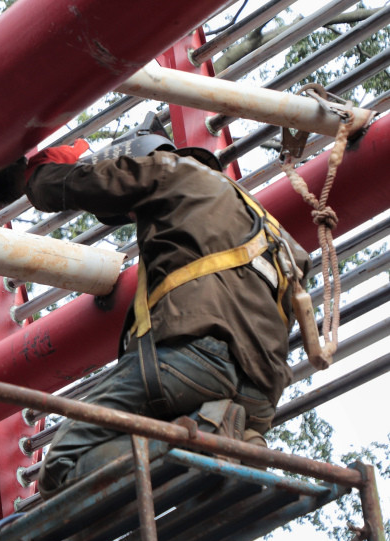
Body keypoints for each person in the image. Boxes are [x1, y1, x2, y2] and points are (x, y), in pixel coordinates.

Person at [20, 122, 311, 498]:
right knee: (186, 479)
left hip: (193, 358)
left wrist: (42, 174)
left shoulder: (170, 170)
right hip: (260, 395)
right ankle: (232, 440)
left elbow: (81, 185)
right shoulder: (278, 236)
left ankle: (201, 437)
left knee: (60, 468)